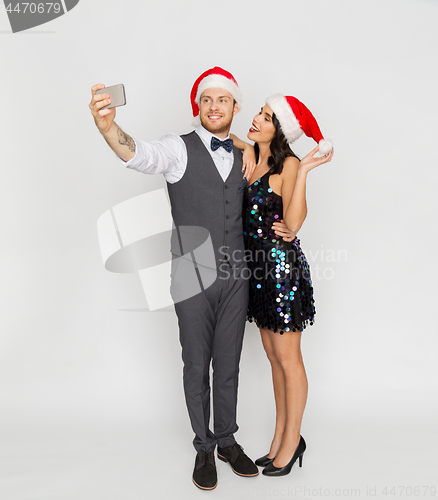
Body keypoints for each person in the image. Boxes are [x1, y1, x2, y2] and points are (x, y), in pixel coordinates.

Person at [88, 68, 293, 490]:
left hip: (237, 275)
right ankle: (203, 446)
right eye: (206, 100)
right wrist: (110, 128)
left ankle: (227, 439)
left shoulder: (246, 154)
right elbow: (137, 153)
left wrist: (285, 167)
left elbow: (282, 167)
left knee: (229, 364)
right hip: (191, 275)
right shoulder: (176, 150)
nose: (214, 107)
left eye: (222, 100)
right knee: (197, 363)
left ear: (235, 107)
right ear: (197, 107)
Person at [231, 93, 334, 477]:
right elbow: (226, 134)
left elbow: (293, 222)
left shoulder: (288, 163)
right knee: (274, 358)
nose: (258, 119)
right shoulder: (253, 156)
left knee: (289, 359)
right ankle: (279, 437)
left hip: (280, 271)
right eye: (259, 112)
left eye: (268, 117)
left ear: (281, 129)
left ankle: (293, 441)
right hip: (256, 273)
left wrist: (304, 170)